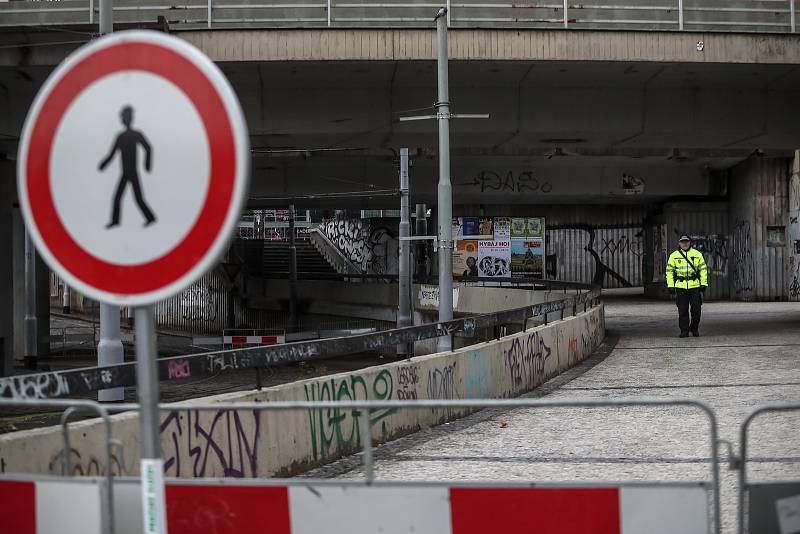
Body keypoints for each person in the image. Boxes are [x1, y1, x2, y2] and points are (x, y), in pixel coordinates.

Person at [99, 105, 156, 229]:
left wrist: (147, 165)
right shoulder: (120, 137)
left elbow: (148, 148)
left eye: (125, 117)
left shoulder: (136, 134)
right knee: (124, 197)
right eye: (123, 117)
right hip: (125, 172)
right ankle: (118, 221)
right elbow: (112, 154)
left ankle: (150, 218)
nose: (123, 119)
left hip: (132, 172)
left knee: (134, 198)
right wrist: (103, 164)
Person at [666, 235, 709, 338]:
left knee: (696, 309)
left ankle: (694, 328)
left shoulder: (697, 254)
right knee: (682, 310)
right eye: (682, 242)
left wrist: (703, 283)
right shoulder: (674, 256)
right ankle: (684, 330)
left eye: (686, 241)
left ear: (690, 242)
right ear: (679, 243)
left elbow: (703, 270)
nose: (685, 243)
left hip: (694, 286)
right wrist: (671, 286)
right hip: (681, 287)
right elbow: (669, 272)